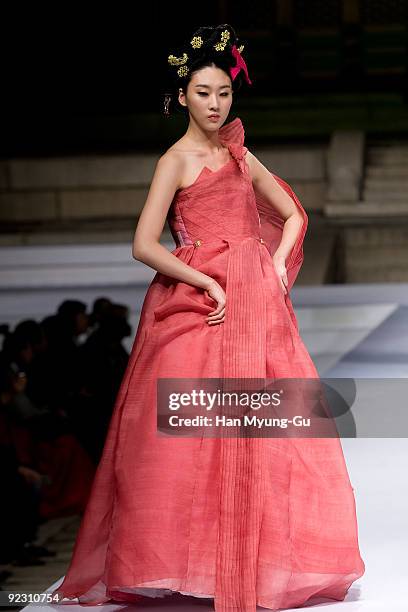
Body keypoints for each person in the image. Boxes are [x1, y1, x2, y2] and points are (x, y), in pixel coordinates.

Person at [52, 24, 365, 612]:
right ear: (182, 97)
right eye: (204, 92)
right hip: (197, 304)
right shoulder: (175, 160)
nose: (217, 104)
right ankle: (191, 564)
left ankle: (247, 562)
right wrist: (203, 278)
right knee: (183, 436)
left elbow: (294, 214)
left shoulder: (242, 156)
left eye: (224, 92)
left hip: (255, 304)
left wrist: (271, 266)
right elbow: (145, 244)